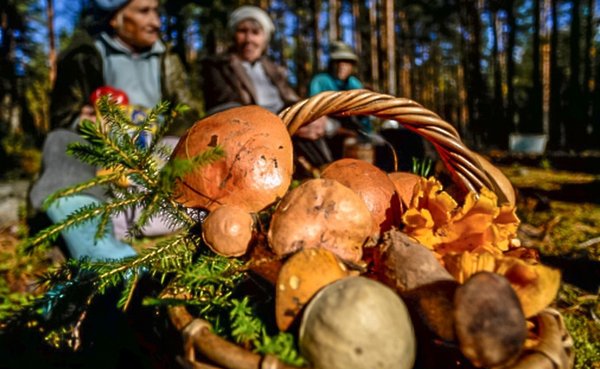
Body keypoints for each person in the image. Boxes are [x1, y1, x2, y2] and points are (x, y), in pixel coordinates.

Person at [29, 0, 199, 261]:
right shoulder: (85, 54)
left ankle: (199, 212)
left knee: (193, 149)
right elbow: (63, 117)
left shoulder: (167, 56)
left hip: (158, 145)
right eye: (144, 11)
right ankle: (100, 250)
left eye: (156, 11)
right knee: (60, 141)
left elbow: (190, 112)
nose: (155, 21)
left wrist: (153, 126)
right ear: (115, 18)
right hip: (103, 149)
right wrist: (85, 121)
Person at [200, 5, 327, 178]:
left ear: (265, 39)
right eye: (242, 31)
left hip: (292, 132)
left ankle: (323, 176)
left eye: (255, 32)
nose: (248, 39)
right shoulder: (218, 66)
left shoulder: (275, 70)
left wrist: (313, 117)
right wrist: (284, 124)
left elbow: (292, 100)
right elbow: (226, 110)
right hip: (250, 140)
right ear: (233, 35)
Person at [308, 41, 375, 162]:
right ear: (332, 63)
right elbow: (313, 112)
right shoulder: (320, 81)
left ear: (352, 66)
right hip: (328, 128)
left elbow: (364, 117)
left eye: (346, 62)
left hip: (353, 128)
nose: (342, 66)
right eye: (338, 61)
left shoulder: (354, 83)